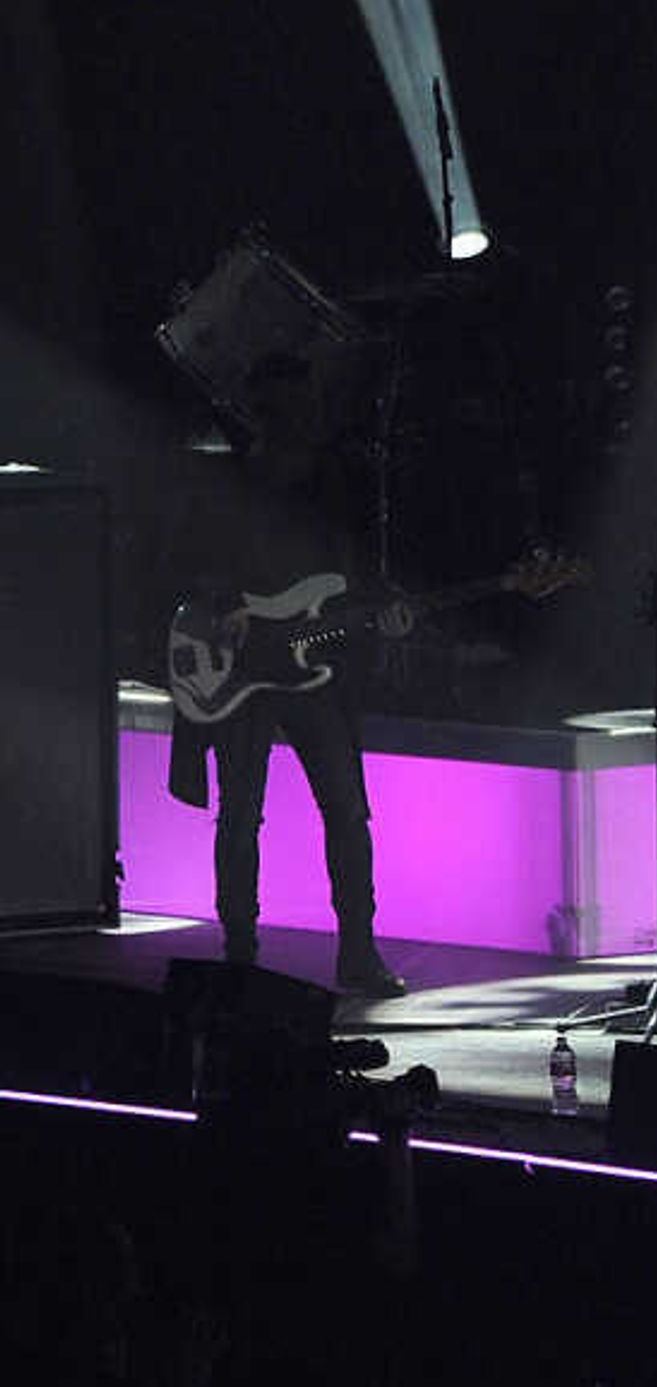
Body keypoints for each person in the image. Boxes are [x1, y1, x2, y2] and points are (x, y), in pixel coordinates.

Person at [161, 352, 408, 999]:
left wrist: (385, 610)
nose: (300, 416)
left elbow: (352, 576)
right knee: (242, 816)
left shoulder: (336, 483)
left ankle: (358, 951)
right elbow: (182, 562)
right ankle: (239, 952)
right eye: (286, 406)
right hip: (241, 671)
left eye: (304, 405)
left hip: (312, 669)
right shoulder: (227, 478)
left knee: (348, 813)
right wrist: (224, 605)